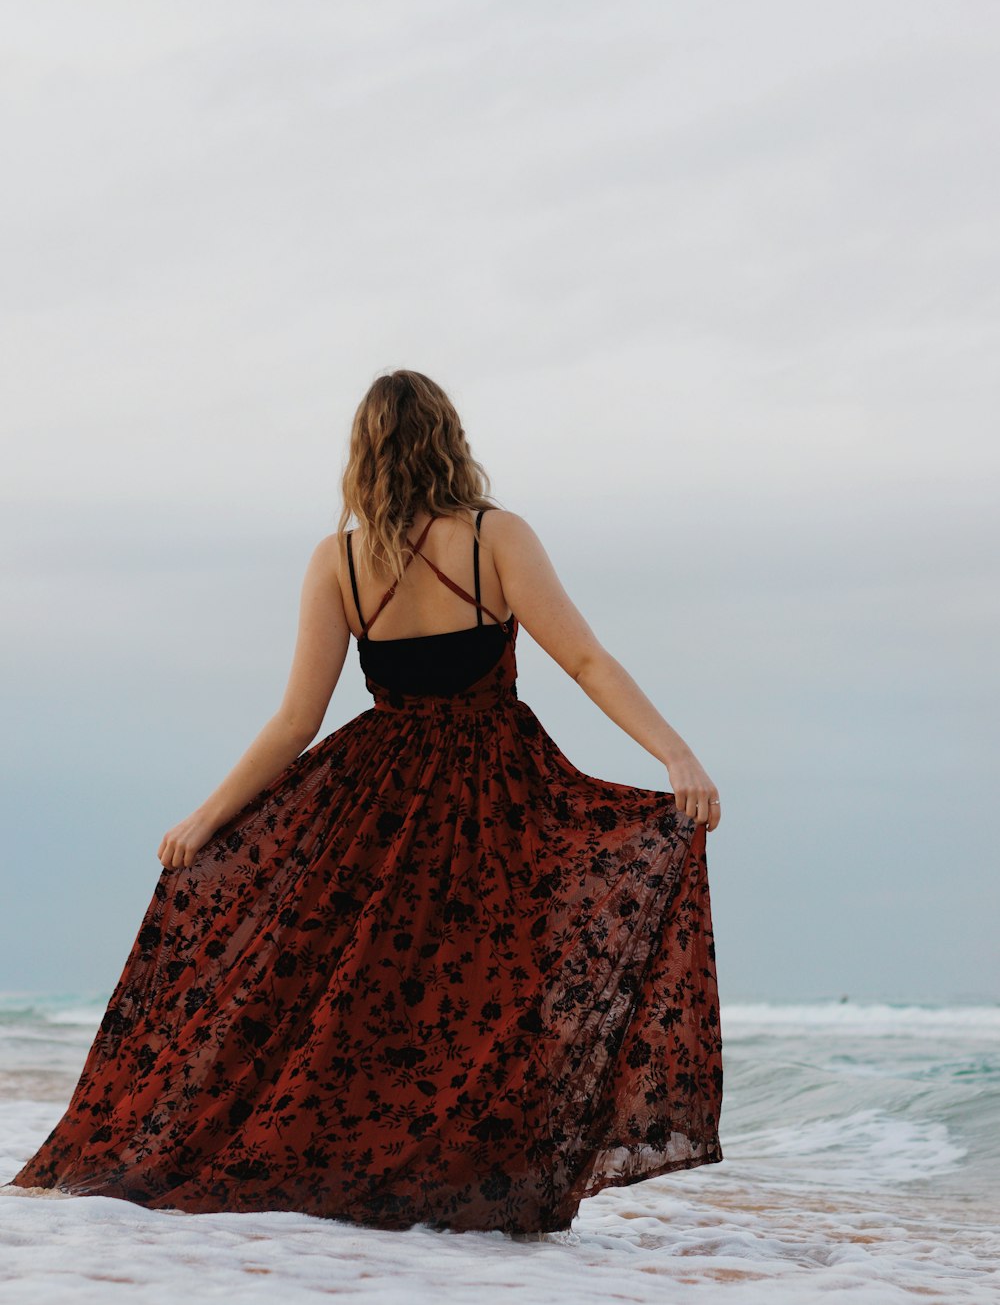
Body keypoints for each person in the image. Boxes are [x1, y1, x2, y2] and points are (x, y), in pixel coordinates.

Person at [4, 368, 724, 1235]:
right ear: (449, 440)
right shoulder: (496, 537)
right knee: (490, 994)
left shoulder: (341, 558)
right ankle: (471, 1205)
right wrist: (674, 753)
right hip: (494, 797)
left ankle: (376, 1200)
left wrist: (207, 816)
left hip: (376, 811)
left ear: (364, 454)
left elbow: (294, 723)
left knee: (377, 1001)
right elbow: (587, 661)